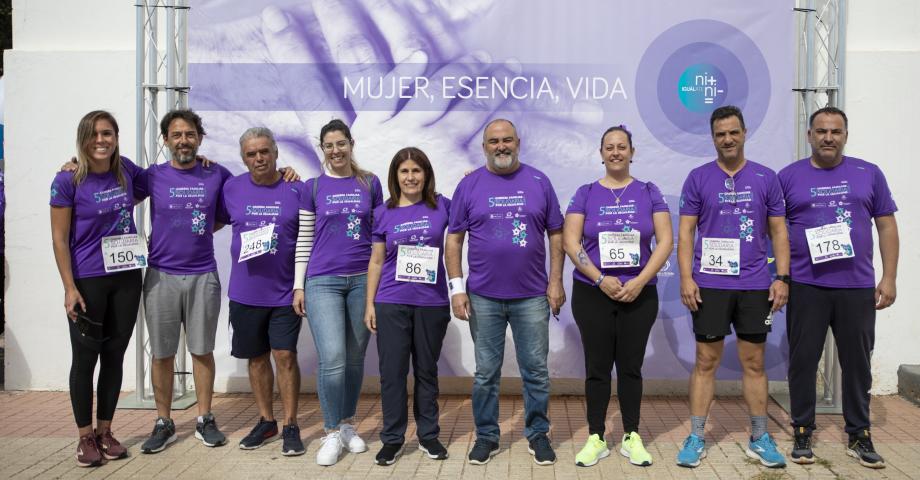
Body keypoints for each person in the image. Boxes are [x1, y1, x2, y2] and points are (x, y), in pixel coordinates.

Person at [779, 106, 898, 469]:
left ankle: (859, 433)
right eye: (821, 131)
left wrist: (889, 277)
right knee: (802, 361)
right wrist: (780, 277)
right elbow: (776, 231)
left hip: (856, 286)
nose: (828, 137)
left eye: (835, 131)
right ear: (809, 135)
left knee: (857, 364)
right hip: (806, 285)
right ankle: (802, 429)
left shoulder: (869, 174)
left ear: (845, 135)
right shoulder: (788, 177)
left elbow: (887, 227)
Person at [445, 118, 565, 466]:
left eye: (507, 140)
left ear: (518, 142)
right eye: (494, 141)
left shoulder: (539, 181)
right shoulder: (469, 186)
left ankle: (538, 434)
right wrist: (456, 288)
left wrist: (555, 281)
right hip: (483, 296)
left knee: (536, 371)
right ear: (484, 147)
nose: (501, 146)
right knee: (485, 373)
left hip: (531, 296)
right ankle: (486, 436)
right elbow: (454, 240)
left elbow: (556, 233)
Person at [675, 105, 790, 469]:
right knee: (705, 361)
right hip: (709, 284)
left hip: (755, 283)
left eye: (733, 132)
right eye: (721, 134)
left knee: (753, 362)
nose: (728, 139)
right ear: (713, 138)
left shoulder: (766, 178)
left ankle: (759, 437)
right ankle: (696, 435)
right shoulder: (698, 178)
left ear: (744, 133)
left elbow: (778, 232)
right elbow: (685, 232)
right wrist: (686, 277)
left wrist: (782, 278)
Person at [563, 125, 673, 467]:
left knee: (630, 367)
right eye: (609, 147)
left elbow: (665, 241)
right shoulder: (584, 193)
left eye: (621, 147)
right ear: (600, 153)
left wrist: (639, 281)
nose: (615, 152)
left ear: (631, 152)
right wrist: (599, 280)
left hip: (638, 293)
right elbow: (571, 242)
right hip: (593, 292)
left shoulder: (649, 191)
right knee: (597, 368)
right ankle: (596, 436)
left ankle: (631, 436)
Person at [132, 110, 233, 453]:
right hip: (160, 275)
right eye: (176, 135)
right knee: (162, 354)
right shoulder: (153, 176)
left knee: (201, 350)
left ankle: (205, 419)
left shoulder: (215, 174)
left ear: (200, 138)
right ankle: (164, 422)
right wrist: (73, 167)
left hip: (203, 274)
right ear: (165, 141)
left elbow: (244, 198)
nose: (183, 141)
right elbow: (114, 192)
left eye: (190, 134)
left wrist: (285, 173)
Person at [50, 110, 144, 467]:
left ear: (116, 137)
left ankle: (105, 431)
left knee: (115, 356)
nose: (100, 140)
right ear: (83, 139)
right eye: (93, 134)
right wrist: (69, 288)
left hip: (127, 277)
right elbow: (59, 239)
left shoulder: (128, 172)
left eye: (107, 133)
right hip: (88, 280)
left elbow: (168, 179)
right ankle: (84, 437)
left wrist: (199, 161)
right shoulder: (67, 180)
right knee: (85, 358)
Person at [292, 119, 383, 466]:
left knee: (355, 358)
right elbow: (304, 238)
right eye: (328, 146)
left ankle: (347, 424)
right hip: (322, 281)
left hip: (362, 280)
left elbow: (379, 237)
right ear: (323, 149)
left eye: (341, 143)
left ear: (351, 143)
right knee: (332, 359)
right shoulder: (312, 187)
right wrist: (299, 285)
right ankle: (330, 431)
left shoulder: (369, 183)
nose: (336, 151)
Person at [222, 127, 308, 456]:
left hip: (285, 292)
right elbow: (211, 215)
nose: (259, 158)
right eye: (251, 153)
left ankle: (290, 424)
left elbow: (310, 237)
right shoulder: (231, 188)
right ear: (243, 158)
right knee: (256, 359)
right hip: (244, 293)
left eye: (264, 152)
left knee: (285, 356)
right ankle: (266, 420)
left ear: (275, 152)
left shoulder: (296, 188)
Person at [364, 147, 452, 466]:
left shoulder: (443, 206)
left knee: (427, 371)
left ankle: (428, 435)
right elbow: (375, 261)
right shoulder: (383, 212)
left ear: (426, 174)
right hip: (390, 301)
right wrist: (369, 304)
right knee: (392, 373)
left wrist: (474, 179)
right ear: (395, 176)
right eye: (404, 171)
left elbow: (471, 219)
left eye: (417, 170)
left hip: (432, 303)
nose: (411, 177)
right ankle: (392, 439)